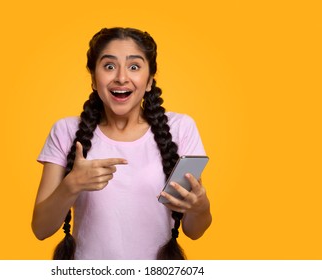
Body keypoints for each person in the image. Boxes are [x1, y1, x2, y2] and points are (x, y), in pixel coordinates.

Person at [31, 27, 212, 260]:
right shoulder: (66, 131)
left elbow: (194, 231)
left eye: (134, 67)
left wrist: (200, 207)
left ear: (149, 81)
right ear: (94, 79)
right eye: (109, 66)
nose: (121, 77)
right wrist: (71, 185)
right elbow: (41, 229)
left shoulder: (181, 129)